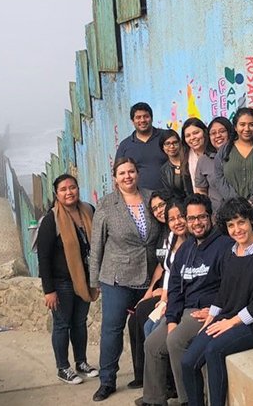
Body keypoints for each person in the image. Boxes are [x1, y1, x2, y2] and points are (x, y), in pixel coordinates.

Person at [181, 197, 253, 406]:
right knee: (188, 361)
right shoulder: (231, 253)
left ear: (251, 220)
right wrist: (211, 320)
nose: (236, 229)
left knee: (214, 350)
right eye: (231, 225)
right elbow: (224, 293)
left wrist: (230, 323)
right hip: (230, 317)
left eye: (241, 222)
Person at [137, 194, 232, 406]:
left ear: (211, 217)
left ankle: (188, 400)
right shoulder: (185, 249)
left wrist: (217, 310)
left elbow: (230, 286)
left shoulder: (224, 246)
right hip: (184, 311)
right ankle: (154, 400)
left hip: (206, 311)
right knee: (152, 343)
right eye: (191, 218)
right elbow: (175, 291)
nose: (196, 223)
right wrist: (171, 320)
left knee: (175, 340)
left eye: (201, 217)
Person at [89, 158, 162, 401]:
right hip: (117, 277)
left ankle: (145, 376)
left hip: (151, 274)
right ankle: (107, 380)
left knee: (147, 326)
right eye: (122, 173)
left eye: (131, 171)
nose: (127, 176)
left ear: (137, 174)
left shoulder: (152, 197)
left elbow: (164, 229)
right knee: (112, 330)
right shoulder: (107, 204)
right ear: (115, 177)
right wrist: (94, 280)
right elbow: (97, 244)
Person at [38, 174, 99, 385]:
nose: (69, 192)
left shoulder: (88, 210)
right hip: (61, 282)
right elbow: (43, 257)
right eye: (63, 189)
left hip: (85, 279)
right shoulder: (51, 219)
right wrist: (49, 290)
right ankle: (63, 367)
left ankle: (81, 363)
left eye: (72, 187)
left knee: (80, 323)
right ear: (57, 194)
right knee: (62, 325)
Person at [126, 190, 175, 390]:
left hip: (172, 288)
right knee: (134, 317)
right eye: (154, 208)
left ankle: (161, 379)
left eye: (161, 205)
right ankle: (142, 374)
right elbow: (160, 265)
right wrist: (149, 291)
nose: (159, 211)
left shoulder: (177, 230)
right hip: (161, 285)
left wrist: (162, 291)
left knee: (144, 317)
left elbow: (174, 268)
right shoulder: (161, 232)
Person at [116, 102, 168, 191]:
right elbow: (117, 173)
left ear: (151, 118)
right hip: (138, 198)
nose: (143, 120)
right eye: (138, 117)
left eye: (146, 116)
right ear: (132, 121)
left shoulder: (166, 137)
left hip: (169, 195)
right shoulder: (125, 145)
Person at [211, 107, 253, 202]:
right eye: (242, 124)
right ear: (235, 127)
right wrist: (236, 202)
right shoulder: (224, 150)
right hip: (233, 208)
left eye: (252, 125)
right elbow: (219, 178)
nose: (247, 129)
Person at [194, 117, 234, 213]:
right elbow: (201, 191)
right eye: (213, 133)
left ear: (230, 132)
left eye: (222, 131)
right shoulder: (203, 160)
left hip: (243, 211)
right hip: (217, 215)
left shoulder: (240, 153)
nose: (218, 135)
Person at [181, 118, 216, 197]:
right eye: (188, 136)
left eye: (196, 133)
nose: (192, 137)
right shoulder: (185, 157)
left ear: (204, 132)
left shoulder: (216, 152)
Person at [159, 129, 193, 200]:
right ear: (163, 147)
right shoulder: (164, 170)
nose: (172, 146)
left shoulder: (190, 159)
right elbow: (170, 194)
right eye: (167, 143)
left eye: (175, 142)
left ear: (180, 143)